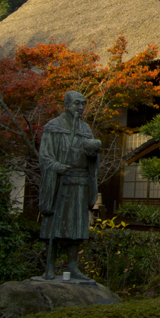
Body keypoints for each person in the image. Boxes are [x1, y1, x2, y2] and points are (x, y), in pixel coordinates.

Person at [38, 91, 101, 280]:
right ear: (66, 105)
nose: (80, 108)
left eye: (83, 104)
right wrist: (57, 167)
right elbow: (45, 156)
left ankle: (73, 266)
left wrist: (92, 155)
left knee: (76, 225)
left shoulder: (85, 129)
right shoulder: (53, 127)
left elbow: (93, 160)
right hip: (60, 182)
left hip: (79, 183)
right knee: (54, 225)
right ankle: (49, 267)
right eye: (76, 104)